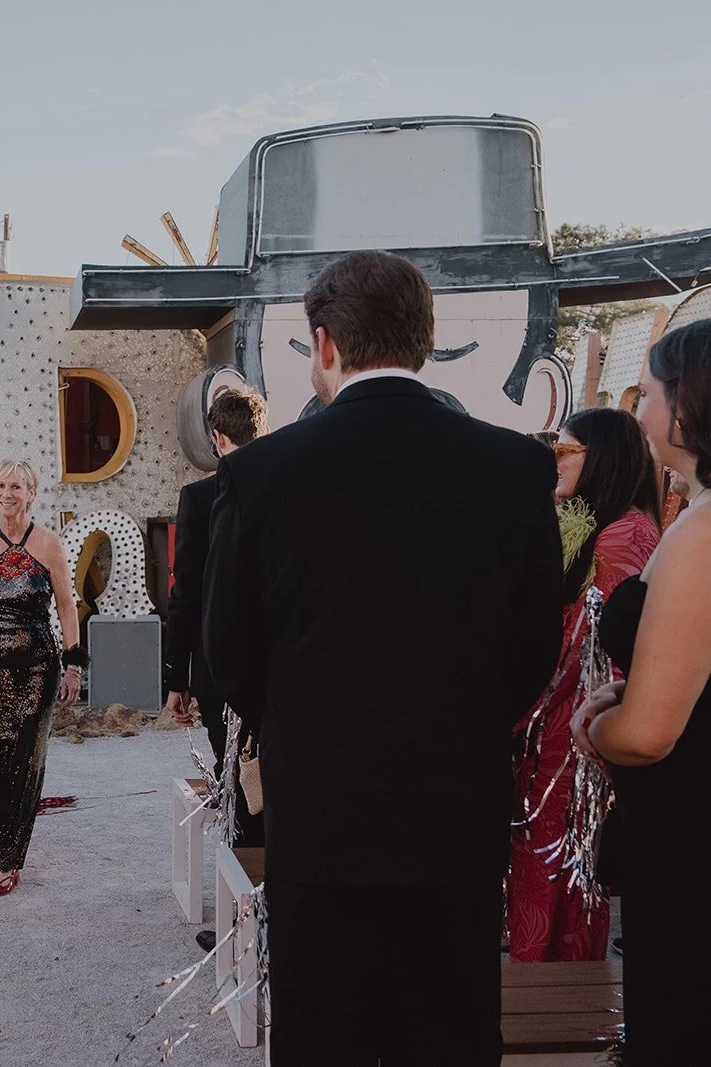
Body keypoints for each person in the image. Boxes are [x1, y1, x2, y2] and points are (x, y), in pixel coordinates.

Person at [203, 251, 564, 1064]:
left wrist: (300, 727)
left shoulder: (260, 474)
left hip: (320, 810)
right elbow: (534, 643)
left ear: (325, 343)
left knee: (323, 1033)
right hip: (457, 809)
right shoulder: (514, 468)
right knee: (451, 1031)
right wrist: (466, 721)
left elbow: (230, 650)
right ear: (424, 339)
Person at [574, 319, 711, 1062]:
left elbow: (653, 731)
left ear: (685, 405)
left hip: (688, 834)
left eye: (648, 391)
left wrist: (595, 727)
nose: (640, 407)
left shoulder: (703, 534)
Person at [508, 408, 659, 963]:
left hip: (576, 742)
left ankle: (554, 997)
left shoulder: (624, 537)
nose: (555, 463)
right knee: (547, 881)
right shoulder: (598, 526)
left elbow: (595, 653)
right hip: (557, 734)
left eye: (564, 452)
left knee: (561, 883)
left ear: (602, 458)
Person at [0, 459, 84, 898]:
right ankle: (0, 819)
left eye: (16, 486)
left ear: (31, 493)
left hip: (36, 667)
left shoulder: (49, 544)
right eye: (0, 485)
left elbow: (67, 607)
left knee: (25, 762)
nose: (7, 493)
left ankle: (8, 862)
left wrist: (74, 665)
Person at [163, 386, 268, 860]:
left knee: (237, 776)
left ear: (218, 439)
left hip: (219, 667)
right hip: (282, 663)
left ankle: (246, 893)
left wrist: (176, 678)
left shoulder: (200, 497)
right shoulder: (291, 489)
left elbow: (185, 592)